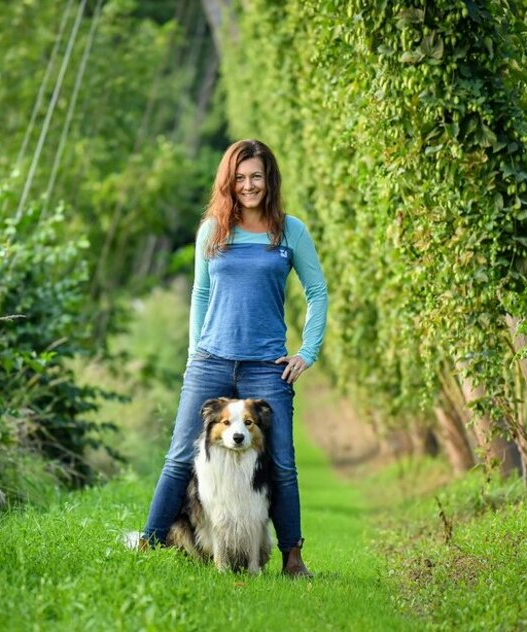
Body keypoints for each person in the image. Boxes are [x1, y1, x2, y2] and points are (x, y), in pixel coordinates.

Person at [139, 139, 328, 577]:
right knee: (178, 458)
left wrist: (307, 352)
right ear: (229, 181)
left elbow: (317, 293)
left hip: (267, 366)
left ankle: (292, 557)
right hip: (212, 360)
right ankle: (150, 543)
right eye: (240, 178)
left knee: (281, 461)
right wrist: (193, 355)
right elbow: (201, 294)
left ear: (269, 180)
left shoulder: (290, 231)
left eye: (256, 177)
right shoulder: (213, 230)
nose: (249, 185)